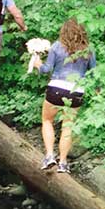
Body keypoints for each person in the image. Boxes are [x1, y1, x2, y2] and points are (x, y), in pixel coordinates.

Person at [30, 18, 96, 174]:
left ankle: (49, 156)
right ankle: (63, 163)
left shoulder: (56, 47)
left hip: (56, 88)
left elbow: (46, 70)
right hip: (76, 90)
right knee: (68, 126)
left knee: (47, 120)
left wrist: (37, 64)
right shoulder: (88, 49)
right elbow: (94, 73)